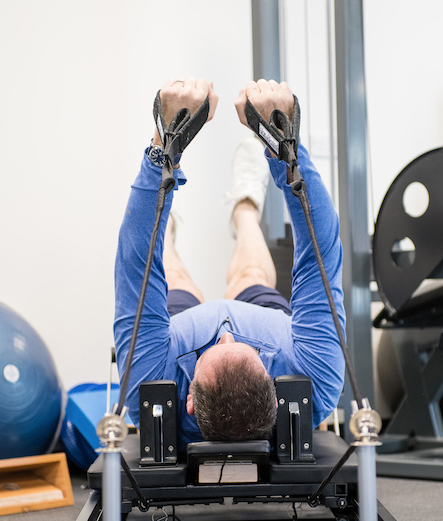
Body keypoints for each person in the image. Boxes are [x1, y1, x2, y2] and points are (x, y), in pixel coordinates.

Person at [114, 77, 346, 447]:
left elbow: (136, 262)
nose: (228, 330)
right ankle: (245, 207)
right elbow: (321, 254)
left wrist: (165, 145)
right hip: (273, 332)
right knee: (249, 274)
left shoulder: (148, 387)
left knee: (169, 273)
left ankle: (168, 224)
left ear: (187, 400)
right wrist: (284, 144)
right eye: (246, 348)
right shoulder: (314, 379)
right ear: (275, 390)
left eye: (217, 347)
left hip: (179, 340)